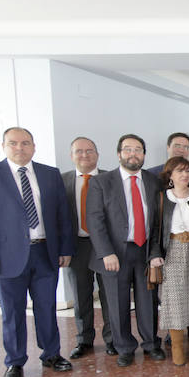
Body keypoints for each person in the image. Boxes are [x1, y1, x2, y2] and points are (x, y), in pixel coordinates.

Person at [0, 127, 74, 377]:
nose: (20, 148)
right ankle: (14, 361)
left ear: (34, 147)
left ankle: (51, 354)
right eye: (13, 143)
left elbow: (63, 215)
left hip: (45, 252)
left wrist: (65, 248)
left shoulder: (49, 175)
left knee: (46, 307)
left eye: (25, 143)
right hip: (6, 257)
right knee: (12, 311)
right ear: (4, 146)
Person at [86, 133, 165, 367]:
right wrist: (105, 252)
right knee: (117, 302)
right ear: (119, 154)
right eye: (128, 149)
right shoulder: (102, 182)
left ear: (144, 154)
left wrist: (155, 252)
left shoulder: (153, 181)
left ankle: (151, 343)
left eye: (138, 149)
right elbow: (95, 220)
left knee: (148, 300)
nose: (133, 154)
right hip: (115, 254)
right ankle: (124, 347)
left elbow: (158, 221)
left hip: (145, 251)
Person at [152, 157, 189, 366]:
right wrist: (153, 255)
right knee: (175, 300)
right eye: (179, 171)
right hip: (172, 252)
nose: (184, 175)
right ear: (170, 175)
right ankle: (177, 344)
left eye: (187, 171)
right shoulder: (161, 198)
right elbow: (155, 229)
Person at [62, 137, 114, 359]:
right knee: (81, 295)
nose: (85, 155)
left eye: (89, 151)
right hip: (76, 246)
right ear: (71, 155)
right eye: (79, 151)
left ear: (97, 154)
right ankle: (84, 340)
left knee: (109, 295)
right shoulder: (61, 181)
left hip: (106, 247)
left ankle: (113, 339)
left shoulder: (111, 179)